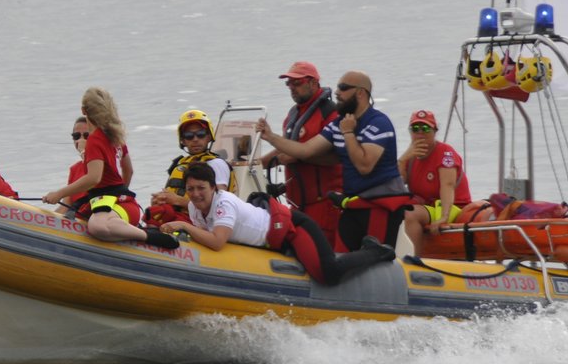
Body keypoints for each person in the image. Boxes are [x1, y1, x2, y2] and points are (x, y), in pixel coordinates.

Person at [256, 70, 410, 252]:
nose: (337, 92)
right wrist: (271, 137)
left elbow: (364, 166)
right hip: (353, 205)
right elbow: (306, 150)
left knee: (376, 259)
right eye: (337, 87)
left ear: (361, 93)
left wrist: (348, 133)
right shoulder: (339, 124)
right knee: (339, 258)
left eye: (343, 88)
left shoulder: (378, 123)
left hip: (379, 205)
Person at [163, 163, 394, 284]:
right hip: (270, 243)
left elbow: (217, 241)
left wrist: (183, 226)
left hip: (293, 229)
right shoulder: (194, 207)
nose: (195, 194)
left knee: (328, 273)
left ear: (214, 188)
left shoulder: (225, 203)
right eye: (191, 189)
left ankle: (375, 251)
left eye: (201, 188)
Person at [42, 87, 176, 248]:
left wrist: (59, 193)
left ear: (84, 110)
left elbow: (94, 178)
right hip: (124, 205)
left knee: (96, 226)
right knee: (93, 223)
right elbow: (129, 171)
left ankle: (150, 237)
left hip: (119, 208)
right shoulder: (115, 135)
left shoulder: (95, 140)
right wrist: (120, 195)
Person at [261, 61, 342, 247]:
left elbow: (338, 157)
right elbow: (286, 149)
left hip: (325, 204)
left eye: (297, 83)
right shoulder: (292, 116)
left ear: (313, 82)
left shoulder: (331, 114)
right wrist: (257, 163)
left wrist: (300, 156)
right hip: (297, 204)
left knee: (323, 252)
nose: (291, 88)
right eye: (289, 83)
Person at [400, 109, 471, 249]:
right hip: (428, 207)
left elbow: (447, 185)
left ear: (434, 131)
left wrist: (444, 217)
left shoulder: (445, 153)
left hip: (453, 207)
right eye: (415, 129)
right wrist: (402, 160)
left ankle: (413, 259)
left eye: (425, 128)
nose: (420, 133)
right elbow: (395, 184)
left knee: (409, 214)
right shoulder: (411, 157)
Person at [147, 108, 231, 225]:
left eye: (200, 134)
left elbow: (219, 204)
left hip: (201, 222)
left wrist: (177, 201)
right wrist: (160, 200)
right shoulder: (180, 164)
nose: (195, 139)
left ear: (208, 137)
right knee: (152, 214)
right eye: (189, 135)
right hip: (175, 215)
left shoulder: (216, 164)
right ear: (183, 140)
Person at [63, 115, 93, 213]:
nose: (80, 140)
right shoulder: (74, 169)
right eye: (76, 136)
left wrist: (83, 151)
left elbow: (95, 176)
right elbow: (66, 205)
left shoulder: (104, 163)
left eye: (86, 136)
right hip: (76, 220)